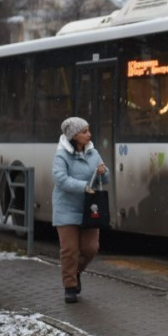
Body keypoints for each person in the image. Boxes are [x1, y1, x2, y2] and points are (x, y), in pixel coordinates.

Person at [52, 117, 109, 303]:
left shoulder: (93, 153)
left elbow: (105, 177)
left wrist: (103, 172)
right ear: (74, 136)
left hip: (89, 208)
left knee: (91, 248)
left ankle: (75, 273)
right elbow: (60, 179)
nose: (89, 135)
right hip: (66, 208)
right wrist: (83, 186)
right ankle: (69, 286)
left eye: (88, 130)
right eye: (85, 132)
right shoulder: (62, 155)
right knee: (70, 249)